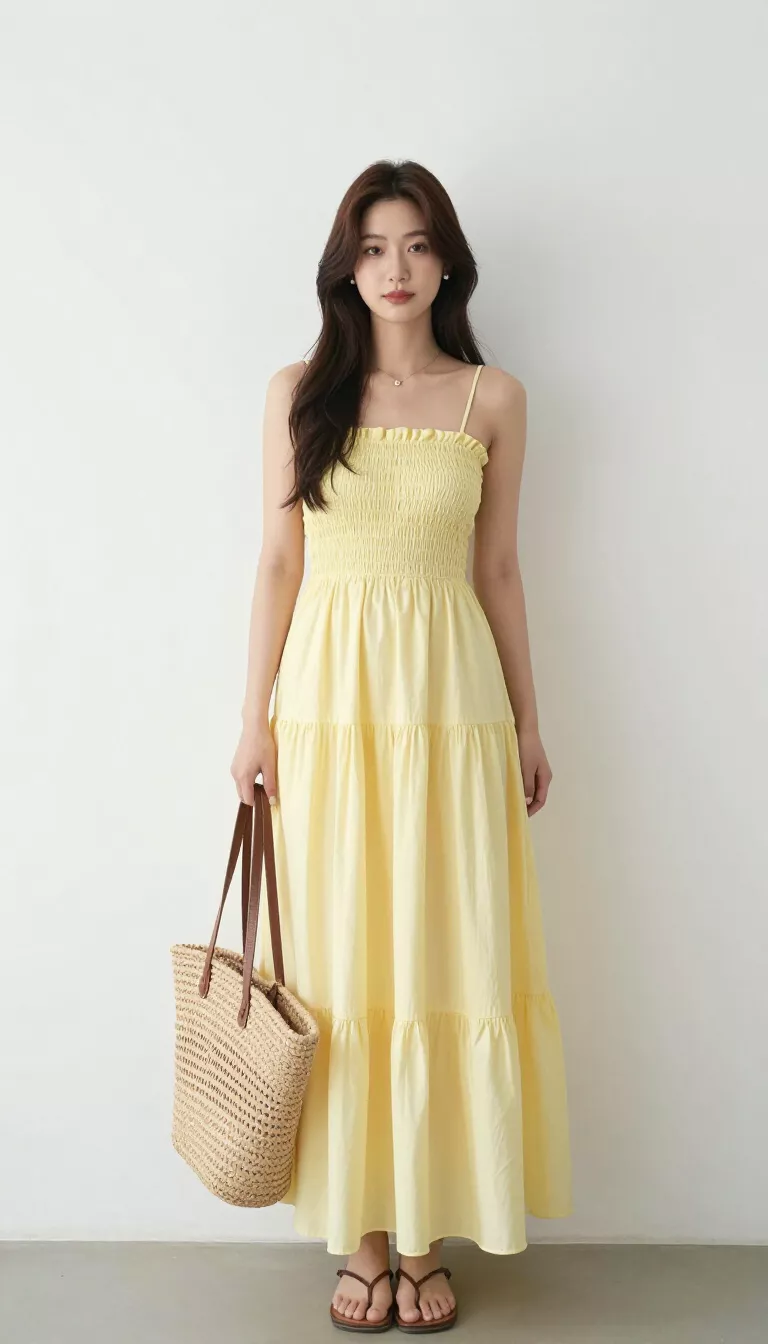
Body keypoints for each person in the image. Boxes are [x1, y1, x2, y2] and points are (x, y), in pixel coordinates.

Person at [230, 158, 572, 1333]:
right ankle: (364, 1237)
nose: (396, 268)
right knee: (342, 958)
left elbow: (499, 570)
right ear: (346, 265)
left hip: (450, 709)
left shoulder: (493, 399)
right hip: (330, 710)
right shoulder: (298, 392)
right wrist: (252, 719)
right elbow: (279, 563)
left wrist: (529, 720)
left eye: (418, 245)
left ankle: (424, 1236)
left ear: (447, 264)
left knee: (440, 946)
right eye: (374, 247)